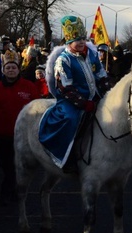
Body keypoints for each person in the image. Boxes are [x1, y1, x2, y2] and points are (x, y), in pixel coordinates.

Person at [39, 15, 108, 172]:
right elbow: (65, 88)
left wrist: (107, 91)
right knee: (71, 118)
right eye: (77, 40)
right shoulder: (63, 60)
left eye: (83, 39)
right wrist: (84, 103)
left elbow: (101, 75)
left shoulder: (92, 54)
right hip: (72, 101)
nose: (82, 42)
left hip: (93, 96)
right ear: (69, 41)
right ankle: (68, 157)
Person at [0, 49, 39, 205]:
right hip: (2, 134)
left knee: (19, 163)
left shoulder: (29, 86)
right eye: (8, 67)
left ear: (18, 69)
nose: (11, 70)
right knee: (6, 164)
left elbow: (37, 108)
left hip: (23, 134)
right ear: (3, 70)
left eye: (13, 67)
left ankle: (10, 191)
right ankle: (10, 189)